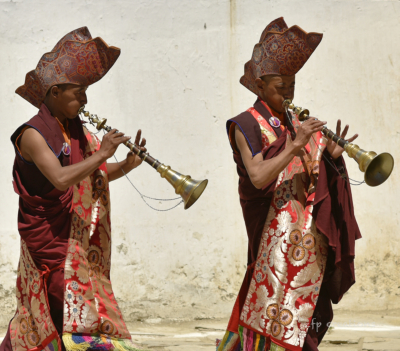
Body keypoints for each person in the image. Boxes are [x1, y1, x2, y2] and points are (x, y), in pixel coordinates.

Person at [217, 18, 361, 351]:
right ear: (260, 84)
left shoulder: (297, 124)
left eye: (293, 85)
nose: (289, 93)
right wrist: (295, 145)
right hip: (270, 238)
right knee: (264, 304)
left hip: (306, 246)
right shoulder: (245, 125)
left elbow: (313, 178)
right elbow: (257, 176)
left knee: (307, 316)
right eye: (282, 87)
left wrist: (332, 158)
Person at [1, 27, 147, 351]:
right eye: (78, 92)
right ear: (54, 92)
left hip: (74, 240)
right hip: (50, 242)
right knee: (61, 315)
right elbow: (61, 179)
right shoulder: (32, 135)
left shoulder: (73, 129)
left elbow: (91, 173)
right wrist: (102, 153)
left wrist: (125, 165)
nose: (84, 100)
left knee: (67, 316)